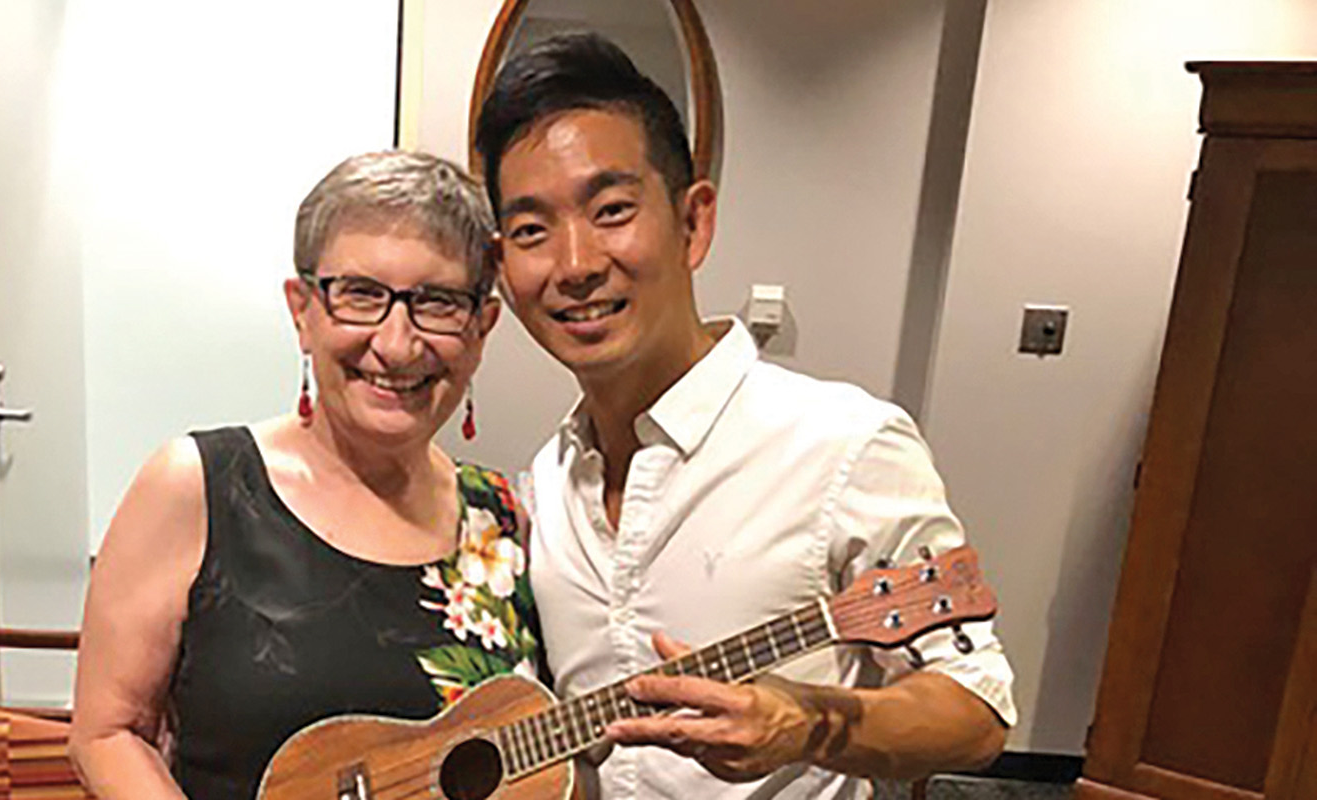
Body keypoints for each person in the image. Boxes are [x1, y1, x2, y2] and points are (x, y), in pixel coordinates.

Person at [475, 33, 1016, 800]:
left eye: (612, 210)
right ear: (504, 267)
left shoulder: (844, 444)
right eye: (532, 230)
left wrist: (805, 723)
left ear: (693, 222)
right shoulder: (545, 484)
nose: (575, 264)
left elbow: (978, 712)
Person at [68, 151, 542, 799]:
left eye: (437, 303)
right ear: (303, 310)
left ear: (481, 328)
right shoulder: (199, 487)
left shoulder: (507, 520)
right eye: (361, 296)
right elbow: (107, 734)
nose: (397, 344)